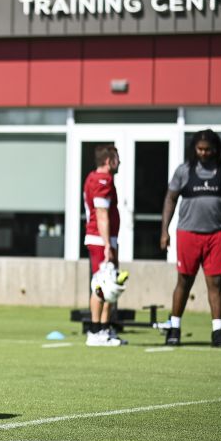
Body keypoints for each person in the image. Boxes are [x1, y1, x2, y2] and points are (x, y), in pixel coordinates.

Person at [159, 129, 221, 348]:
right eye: (200, 149)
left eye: (208, 149)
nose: (203, 153)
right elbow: (170, 199)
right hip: (188, 233)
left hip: (217, 234)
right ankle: (174, 328)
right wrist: (165, 230)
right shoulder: (184, 171)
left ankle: (217, 332)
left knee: (216, 283)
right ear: (194, 149)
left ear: (216, 149)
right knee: (184, 280)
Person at [82, 144, 126, 347]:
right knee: (102, 285)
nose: (119, 162)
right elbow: (101, 213)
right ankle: (96, 330)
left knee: (110, 285)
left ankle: (105, 329)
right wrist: (107, 244)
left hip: (103, 239)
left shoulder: (96, 178)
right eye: (116, 158)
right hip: (101, 240)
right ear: (109, 160)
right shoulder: (102, 179)